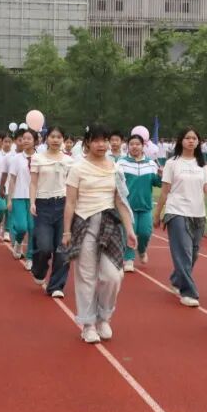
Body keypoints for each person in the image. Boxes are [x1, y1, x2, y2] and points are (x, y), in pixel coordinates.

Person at [63, 124, 136, 344]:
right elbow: (70, 202)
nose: (101, 144)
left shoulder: (115, 168)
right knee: (86, 276)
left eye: (105, 140)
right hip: (84, 223)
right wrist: (66, 231)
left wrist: (130, 230)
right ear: (87, 143)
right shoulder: (77, 168)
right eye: (96, 140)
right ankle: (88, 324)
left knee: (113, 276)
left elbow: (120, 202)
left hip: (109, 225)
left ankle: (104, 317)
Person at [153, 127, 207, 308]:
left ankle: (176, 279)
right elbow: (165, 191)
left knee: (193, 254)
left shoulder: (201, 164)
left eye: (194, 138)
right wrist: (157, 214)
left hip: (198, 213)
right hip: (177, 211)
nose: (191, 141)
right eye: (187, 138)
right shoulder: (172, 163)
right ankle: (188, 292)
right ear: (181, 141)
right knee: (184, 253)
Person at [29, 126, 73, 297]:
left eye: (59, 137)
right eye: (52, 136)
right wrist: (32, 202)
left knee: (63, 249)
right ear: (46, 138)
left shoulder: (69, 161)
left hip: (63, 205)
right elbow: (33, 182)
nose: (55, 140)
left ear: (63, 139)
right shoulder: (38, 158)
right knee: (45, 247)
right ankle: (39, 269)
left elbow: (72, 186)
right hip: (43, 205)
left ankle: (56, 286)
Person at [118, 133, 161, 270]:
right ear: (128, 146)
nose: (134, 147)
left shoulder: (151, 164)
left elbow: (158, 183)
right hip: (127, 206)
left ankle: (142, 250)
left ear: (143, 146)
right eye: (131, 144)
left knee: (144, 233)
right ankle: (129, 259)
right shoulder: (121, 163)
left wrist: (160, 176)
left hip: (145, 206)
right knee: (129, 232)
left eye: (137, 144)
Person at [6, 129, 37, 270]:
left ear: (35, 141)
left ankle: (30, 257)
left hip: (35, 198)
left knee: (32, 228)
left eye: (29, 138)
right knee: (21, 227)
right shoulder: (16, 159)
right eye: (24, 138)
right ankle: (18, 242)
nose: (25, 141)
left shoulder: (40, 158)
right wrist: (9, 199)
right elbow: (12, 179)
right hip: (18, 196)